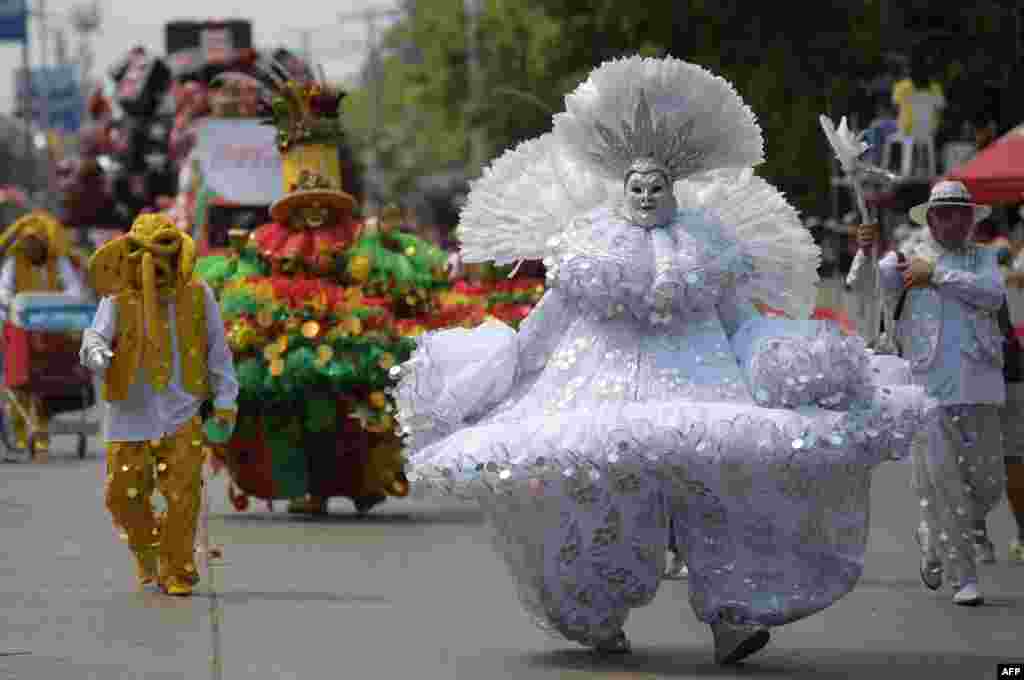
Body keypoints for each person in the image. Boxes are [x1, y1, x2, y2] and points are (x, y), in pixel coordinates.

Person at [393, 56, 930, 665]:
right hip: (596, 400)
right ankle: (595, 617)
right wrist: (505, 365)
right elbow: (551, 320)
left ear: (674, 191)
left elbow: (738, 320)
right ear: (621, 190)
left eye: (656, 188)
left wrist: (782, 355)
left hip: (703, 398)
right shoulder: (587, 246)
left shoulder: (708, 247)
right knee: (592, 504)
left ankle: (731, 616)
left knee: (716, 500)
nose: (647, 197)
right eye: (637, 188)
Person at [857, 180, 1006, 604]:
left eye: (961, 212)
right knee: (946, 486)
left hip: (979, 386)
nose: (953, 220)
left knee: (989, 484)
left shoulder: (983, 258)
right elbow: (872, 287)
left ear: (970, 218)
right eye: (944, 213)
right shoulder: (906, 258)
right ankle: (964, 579)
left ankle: (932, 534)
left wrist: (936, 275)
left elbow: (993, 296)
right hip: (928, 391)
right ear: (932, 218)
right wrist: (865, 250)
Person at [80, 213, 239, 596]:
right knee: (122, 496)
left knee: (184, 496)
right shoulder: (116, 297)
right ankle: (147, 549)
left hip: (182, 411)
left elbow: (218, 350)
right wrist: (98, 354)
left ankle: (178, 569)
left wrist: (225, 400)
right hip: (129, 414)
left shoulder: (199, 294)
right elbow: (93, 338)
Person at [0, 211, 88, 458]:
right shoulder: (13, 262)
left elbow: (75, 289)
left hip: (53, 328)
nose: (31, 248)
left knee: (45, 382)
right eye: (27, 244)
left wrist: (55, 303)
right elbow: (4, 293)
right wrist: (19, 305)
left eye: (36, 244)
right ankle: (20, 434)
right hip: (20, 328)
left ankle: (40, 434)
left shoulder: (57, 261)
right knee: (20, 386)